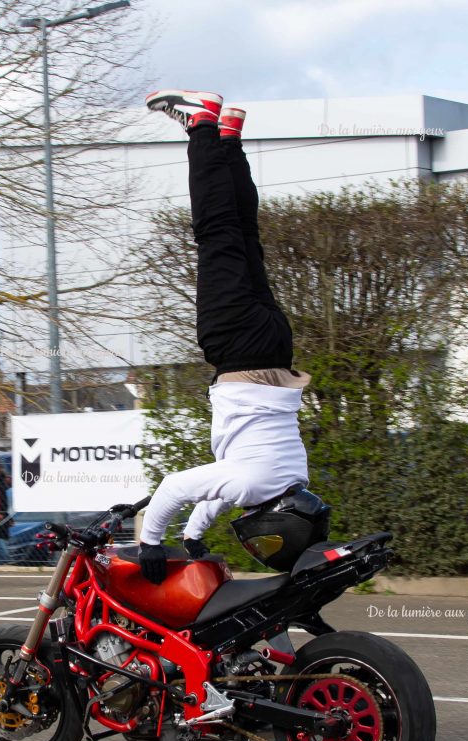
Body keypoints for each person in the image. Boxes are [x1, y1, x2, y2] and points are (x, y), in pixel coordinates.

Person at [138, 90, 311, 583]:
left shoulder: (286, 478)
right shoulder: (252, 480)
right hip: (236, 349)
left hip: (276, 346)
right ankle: (201, 126)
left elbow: (224, 489)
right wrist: (151, 542)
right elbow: (173, 487)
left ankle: (228, 140)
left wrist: (193, 536)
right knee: (215, 233)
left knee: (244, 235)